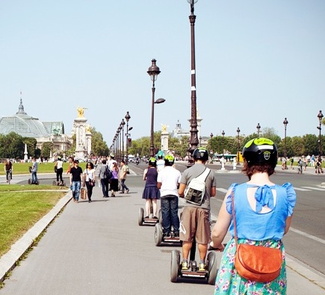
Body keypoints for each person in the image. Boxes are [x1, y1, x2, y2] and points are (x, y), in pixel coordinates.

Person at [211, 138, 297, 294]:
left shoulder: (235, 192)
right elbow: (284, 229)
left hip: (240, 259)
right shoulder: (286, 194)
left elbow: (217, 232)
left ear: (247, 162)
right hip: (271, 259)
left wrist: (216, 243)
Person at [178, 147, 216, 271]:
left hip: (189, 208)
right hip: (203, 208)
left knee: (187, 236)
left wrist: (188, 195)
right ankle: (202, 264)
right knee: (203, 239)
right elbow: (213, 193)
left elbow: (180, 191)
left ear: (194, 158)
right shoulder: (210, 173)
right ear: (206, 159)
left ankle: (184, 262)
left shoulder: (187, 172)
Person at [157, 154, 181, 237]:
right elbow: (179, 184)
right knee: (174, 212)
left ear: (165, 162)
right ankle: (176, 230)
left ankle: (166, 231)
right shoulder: (177, 172)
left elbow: (159, 185)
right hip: (174, 193)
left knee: (165, 212)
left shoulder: (161, 172)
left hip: (164, 194)